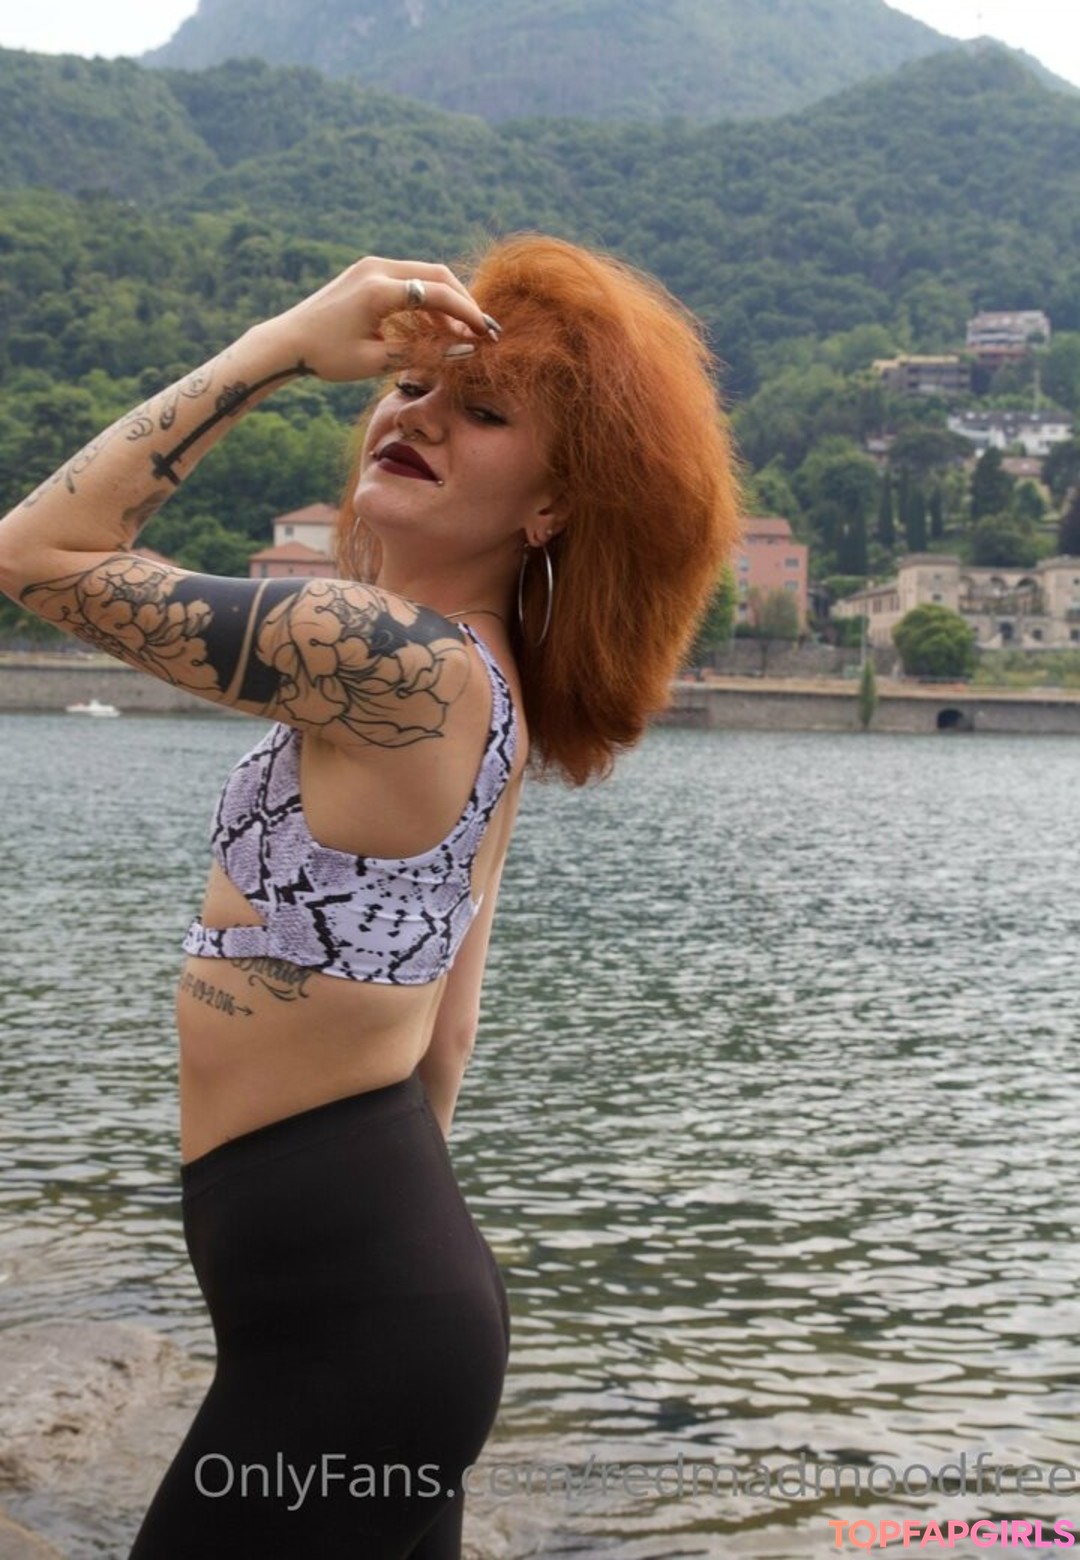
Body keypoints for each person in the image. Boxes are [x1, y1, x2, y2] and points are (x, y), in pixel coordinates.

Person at [0, 234, 739, 1557]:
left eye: (485, 411)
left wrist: (287, 344)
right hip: (377, 1308)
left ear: (554, 507)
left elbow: (35, 552)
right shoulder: (484, 677)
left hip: (351, 1329)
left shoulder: (400, 664)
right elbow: (450, 1020)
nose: (420, 419)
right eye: (409, 389)